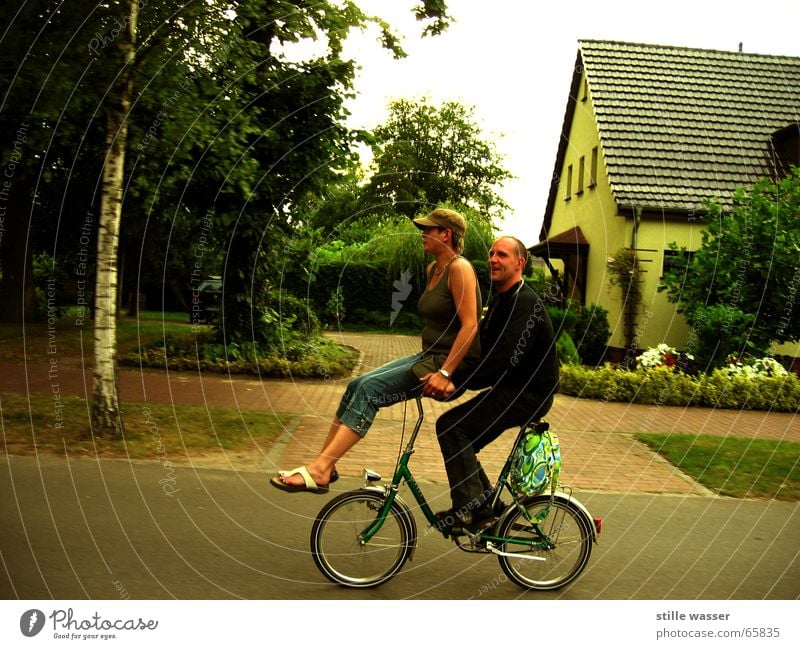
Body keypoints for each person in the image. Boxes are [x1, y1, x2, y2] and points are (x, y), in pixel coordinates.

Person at [271, 208, 482, 493]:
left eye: (429, 229)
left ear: (446, 234)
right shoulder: (433, 269)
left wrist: (446, 372)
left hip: (446, 363)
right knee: (356, 385)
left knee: (370, 392)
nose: (423, 233)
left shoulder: (460, 268)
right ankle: (325, 466)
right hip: (428, 356)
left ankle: (319, 470)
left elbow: (470, 325)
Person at [435, 235, 559, 527]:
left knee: (453, 429)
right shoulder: (505, 299)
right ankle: (487, 507)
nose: (492, 259)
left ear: (520, 263)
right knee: (458, 436)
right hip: (513, 389)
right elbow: (482, 350)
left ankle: (471, 510)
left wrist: (455, 383)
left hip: (527, 394)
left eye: (501, 255)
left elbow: (504, 360)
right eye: (491, 253)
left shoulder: (525, 303)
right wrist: (445, 373)